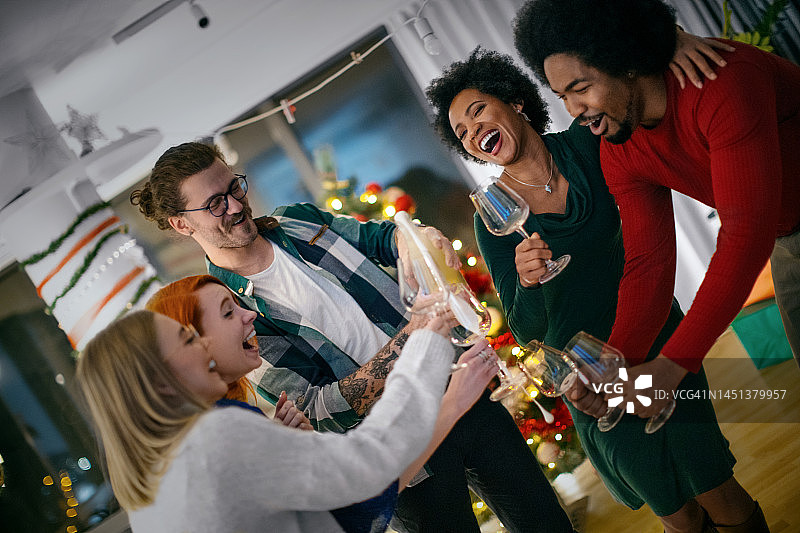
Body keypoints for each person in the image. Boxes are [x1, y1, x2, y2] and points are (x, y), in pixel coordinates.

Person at [131, 143, 575, 532]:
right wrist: (414, 337)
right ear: (181, 225)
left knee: (546, 522)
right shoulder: (232, 313)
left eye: (234, 188)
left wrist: (420, 241)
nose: (234, 205)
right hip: (398, 456)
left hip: (459, 388)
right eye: (214, 203)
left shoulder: (297, 223)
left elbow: (384, 239)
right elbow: (324, 409)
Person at [425, 46, 760, 533]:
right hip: (589, 377)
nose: (473, 132)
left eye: (478, 112)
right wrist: (527, 280)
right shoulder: (491, 219)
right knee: (679, 514)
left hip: (653, 342)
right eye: (462, 133)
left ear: (516, 102)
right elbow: (524, 328)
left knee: (717, 489)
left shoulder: (591, 145)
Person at [514, 0, 797, 530]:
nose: (574, 109)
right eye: (562, 97)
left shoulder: (724, 82)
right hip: (791, 240)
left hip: (774, 231)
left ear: (625, 59)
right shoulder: (620, 145)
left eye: (581, 87)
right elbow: (648, 261)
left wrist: (670, 367)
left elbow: (745, 232)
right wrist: (609, 366)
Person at [76, 308, 481, 532]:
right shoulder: (213, 438)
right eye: (187, 339)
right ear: (159, 382)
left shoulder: (151, 488)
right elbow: (371, 460)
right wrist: (426, 344)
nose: (204, 344)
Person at [145, 274, 498, 490]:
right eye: (227, 312)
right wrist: (451, 401)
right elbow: (363, 491)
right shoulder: (220, 440)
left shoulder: (237, 421)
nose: (249, 314)